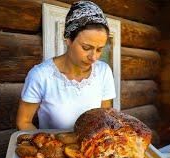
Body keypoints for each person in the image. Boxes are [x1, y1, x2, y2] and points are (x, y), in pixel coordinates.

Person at [16, 1, 116, 130]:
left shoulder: (104, 72)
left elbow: (105, 118)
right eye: (86, 48)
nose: (94, 57)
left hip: (92, 148)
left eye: (99, 49)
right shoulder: (41, 75)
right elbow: (23, 122)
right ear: (68, 39)